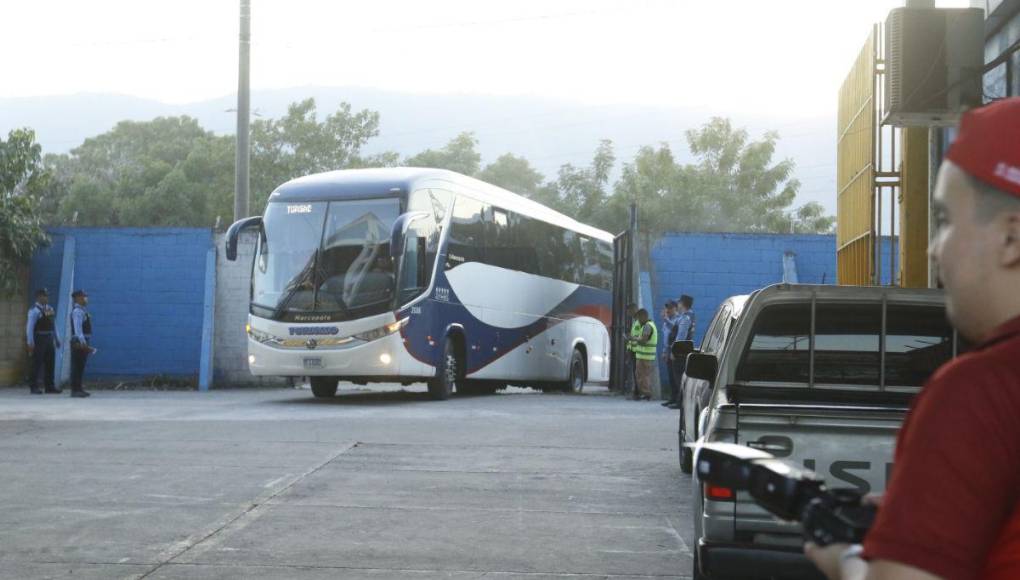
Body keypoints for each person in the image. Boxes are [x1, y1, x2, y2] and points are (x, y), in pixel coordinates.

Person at [805, 98, 1020, 580]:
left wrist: (848, 561)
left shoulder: (981, 394)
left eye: (945, 221)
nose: (933, 248)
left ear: (1011, 238)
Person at [25, 288, 61, 394]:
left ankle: (50, 386)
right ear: (38, 297)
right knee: (37, 363)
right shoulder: (34, 310)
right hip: (39, 338)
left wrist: (57, 338)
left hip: (49, 338)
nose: (46, 298)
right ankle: (33, 386)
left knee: (50, 363)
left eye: (47, 296)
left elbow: (53, 324)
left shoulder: (49, 309)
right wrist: (30, 343)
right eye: (44, 296)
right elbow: (30, 328)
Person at [663, 295, 696, 409]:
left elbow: (680, 336)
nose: (678, 305)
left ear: (683, 304)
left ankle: (680, 402)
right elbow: (675, 328)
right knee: (676, 378)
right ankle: (677, 400)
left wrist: (674, 351)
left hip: (680, 352)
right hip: (681, 350)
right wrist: (666, 320)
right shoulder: (685, 317)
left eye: (679, 303)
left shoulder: (686, 318)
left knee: (679, 378)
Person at [627, 308, 657, 401]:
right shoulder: (647, 326)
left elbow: (644, 340)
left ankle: (646, 393)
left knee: (643, 376)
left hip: (645, 356)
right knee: (642, 375)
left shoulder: (647, 326)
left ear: (644, 316)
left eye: (639, 318)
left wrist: (634, 339)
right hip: (643, 356)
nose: (638, 320)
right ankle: (645, 393)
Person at [69, 289, 94, 398]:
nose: (85, 298)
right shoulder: (77, 312)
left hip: (83, 340)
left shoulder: (82, 310)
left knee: (81, 366)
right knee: (77, 366)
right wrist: (83, 343)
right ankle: (75, 390)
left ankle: (79, 388)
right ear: (78, 298)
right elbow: (78, 329)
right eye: (83, 296)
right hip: (79, 341)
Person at [660, 301, 680, 407]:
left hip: (675, 351)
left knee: (676, 377)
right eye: (667, 308)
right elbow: (665, 337)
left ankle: (678, 400)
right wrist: (664, 351)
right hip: (668, 350)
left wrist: (666, 319)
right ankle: (672, 398)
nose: (668, 310)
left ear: (676, 308)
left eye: (671, 308)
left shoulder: (678, 320)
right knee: (671, 377)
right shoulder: (666, 321)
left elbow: (674, 329)